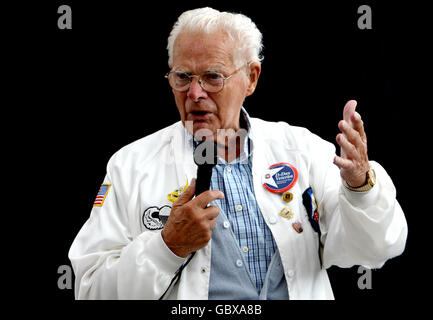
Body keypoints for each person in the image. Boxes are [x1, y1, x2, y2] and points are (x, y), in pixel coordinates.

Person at [69, 7, 407, 300]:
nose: (195, 92)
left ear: (251, 78)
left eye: (213, 77)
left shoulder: (302, 150)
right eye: (183, 77)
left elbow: (377, 249)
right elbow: (90, 288)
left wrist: (361, 187)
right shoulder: (130, 166)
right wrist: (167, 246)